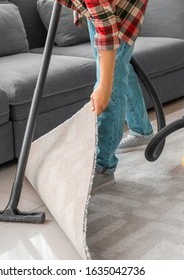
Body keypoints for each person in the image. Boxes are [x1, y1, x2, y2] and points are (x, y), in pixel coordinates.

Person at [57, 0, 153, 188]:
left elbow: (108, 32)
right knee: (118, 68)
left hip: (120, 15)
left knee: (110, 80)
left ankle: (102, 166)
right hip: (104, 12)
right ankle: (141, 129)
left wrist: (104, 87)